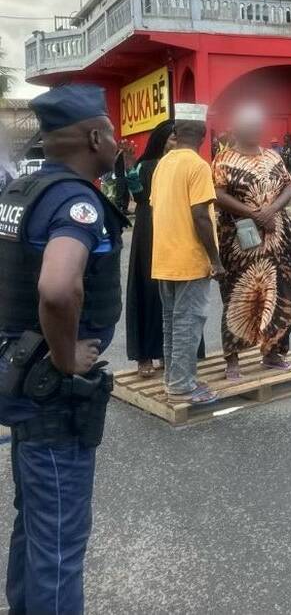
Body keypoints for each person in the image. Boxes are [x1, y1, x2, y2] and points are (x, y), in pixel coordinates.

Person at [0, 84, 126, 614]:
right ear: (95, 136)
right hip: (52, 392)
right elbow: (57, 287)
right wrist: (64, 355)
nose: (117, 141)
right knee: (59, 544)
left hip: (18, 375)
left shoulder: (21, 192)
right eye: (112, 131)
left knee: (35, 523)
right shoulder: (76, 202)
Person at [213, 105, 291, 379]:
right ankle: (232, 359)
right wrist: (253, 213)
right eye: (250, 124)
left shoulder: (273, 157)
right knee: (239, 296)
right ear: (237, 128)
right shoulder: (223, 160)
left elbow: (288, 185)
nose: (256, 129)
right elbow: (216, 193)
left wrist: (270, 210)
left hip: (279, 238)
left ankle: (273, 352)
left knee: (285, 292)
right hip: (241, 243)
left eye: (258, 124)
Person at [150, 105, 223, 404]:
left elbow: (157, 207)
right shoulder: (198, 166)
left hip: (164, 258)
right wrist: (215, 259)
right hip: (190, 260)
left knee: (171, 322)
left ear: (176, 134)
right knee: (188, 323)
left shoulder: (162, 165)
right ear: (203, 137)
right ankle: (182, 385)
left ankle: (175, 379)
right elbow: (200, 215)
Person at [125, 121, 178, 376]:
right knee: (147, 288)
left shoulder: (183, 165)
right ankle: (144, 355)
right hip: (149, 231)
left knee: (175, 292)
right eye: (172, 138)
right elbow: (136, 197)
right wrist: (128, 170)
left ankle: (170, 352)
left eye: (179, 139)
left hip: (177, 232)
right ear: (161, 140)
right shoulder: (145, 167)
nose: (176, 144)